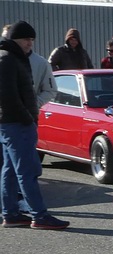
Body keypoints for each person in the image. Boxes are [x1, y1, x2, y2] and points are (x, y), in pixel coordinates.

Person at [0, 20, 69, 230]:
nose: (30, 43)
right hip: (17, 124)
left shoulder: (9, 57)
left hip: (10, 123)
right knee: (27, 170)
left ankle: (10, 214)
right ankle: (39, 215)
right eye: (26, 39)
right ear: (14, 39)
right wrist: (27, 117)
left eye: (32, 39)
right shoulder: (9, 60)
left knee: (10, 169)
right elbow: (8, 96)